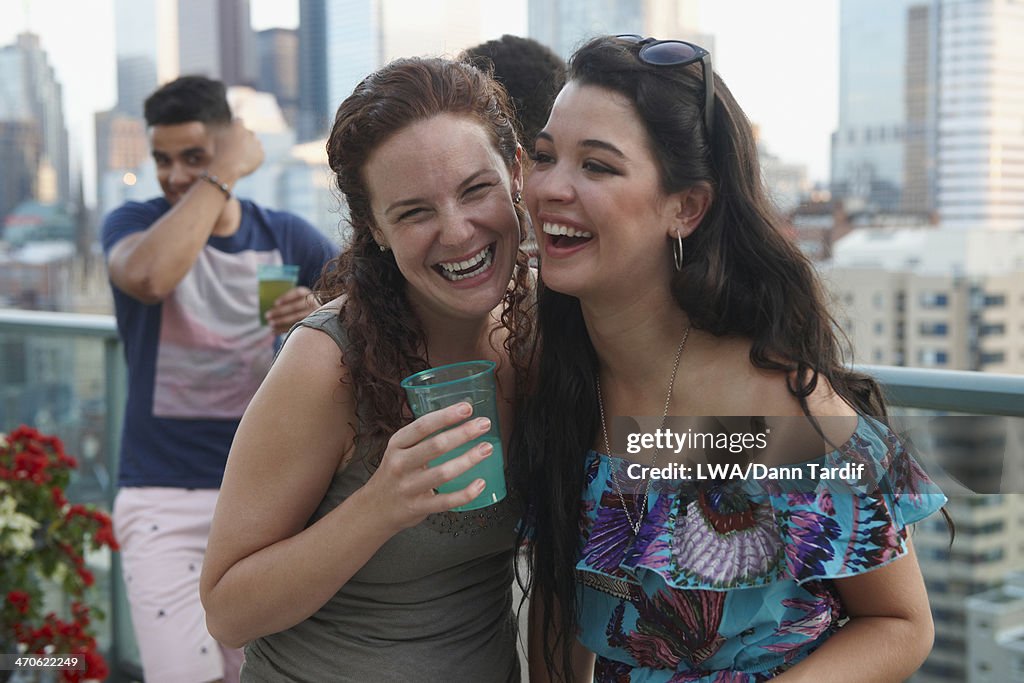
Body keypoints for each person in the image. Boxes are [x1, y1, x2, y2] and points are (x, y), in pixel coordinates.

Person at [513, 35, 947, 682]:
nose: (550, 186)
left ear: (685, 208)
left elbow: (901, 623)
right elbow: (558, 598)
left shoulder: (768, 401)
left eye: (597, 166)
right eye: (544, 157)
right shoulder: (557, 372)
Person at [200, 57, 533, 682]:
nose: (458, 232)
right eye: (414, 212)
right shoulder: (328, 362)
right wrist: (381, 505)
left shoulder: (544, 329)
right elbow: (227, 612)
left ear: (516, 173)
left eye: (475, 189)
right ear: (374, 229)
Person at [101, 75, 338, 683]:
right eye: (163, 159)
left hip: (265, 497)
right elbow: (150, 278)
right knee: (181, 672)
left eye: (194, 157)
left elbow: (366, 320)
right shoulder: (135, 222)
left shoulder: (287, 236)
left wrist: (316, 308)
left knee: (253, 672)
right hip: (161, 492)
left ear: (224, 146)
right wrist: (221, 171)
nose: (176, 174)